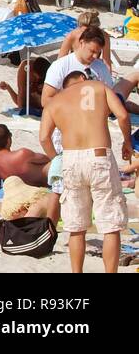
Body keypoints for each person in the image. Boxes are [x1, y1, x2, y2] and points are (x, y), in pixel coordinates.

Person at [40, 70, 132, 272]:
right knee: (110, 226)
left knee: (76, 227)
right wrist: (127, 142)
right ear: (82, 79)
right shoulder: (98, 87)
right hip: (99, 156)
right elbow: (123, 116)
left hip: (71, 158)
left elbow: (44, 138)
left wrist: (57, 158)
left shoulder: (55, 101)